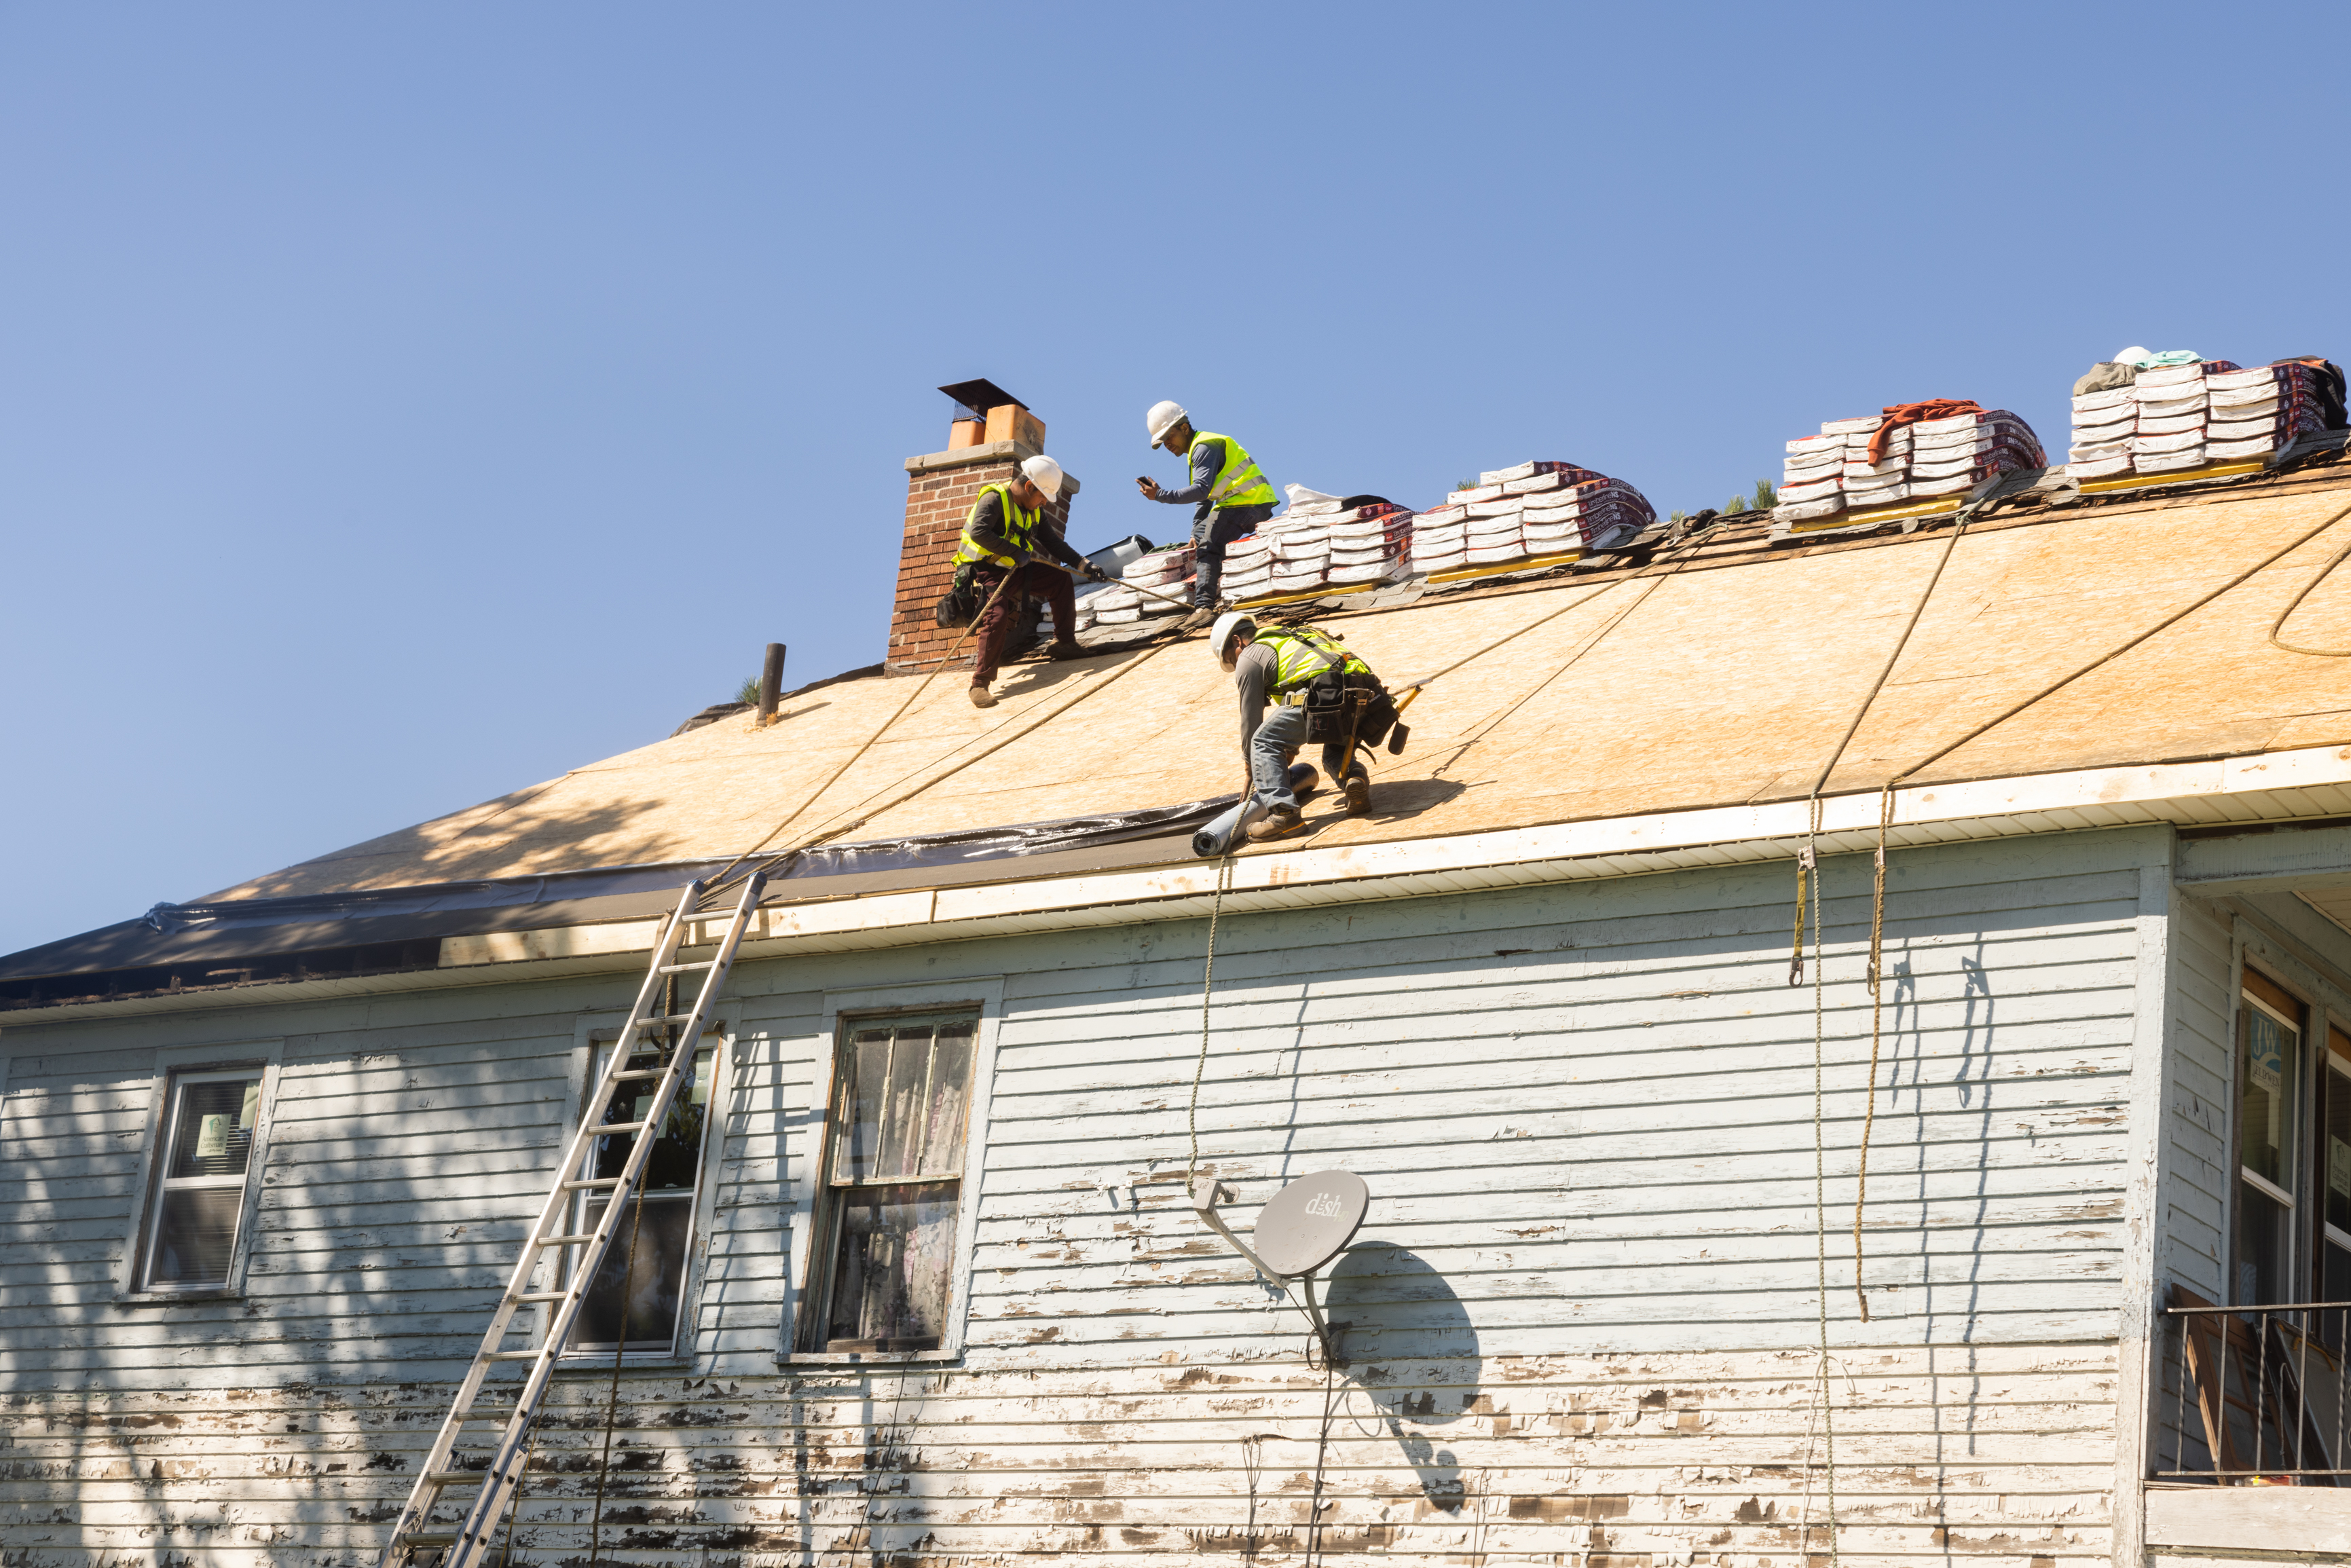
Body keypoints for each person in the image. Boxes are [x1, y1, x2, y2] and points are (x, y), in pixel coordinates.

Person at [1209, 611, 1386, 840]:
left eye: (1231, 659)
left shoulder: (1249, 655)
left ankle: (1285, 817)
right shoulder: (1289, 638)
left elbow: (1250, 720)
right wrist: (1289, 748)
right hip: (1367, 696)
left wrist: (1250, 762)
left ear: (1237, 641)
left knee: (1263, 741)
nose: (1236, 664)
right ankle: (1355, 778)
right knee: (1334, 751)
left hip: (1327, 695)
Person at [954, 455, 1103, 709]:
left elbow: (1054, 544)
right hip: (985, 572)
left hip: (1014, 569)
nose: (1044, 502)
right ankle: (980, 684)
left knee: (1060, 580)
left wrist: (1084, 565)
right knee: (997, 615)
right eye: (1042, 496)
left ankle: (1064, 643)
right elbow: (978, 532)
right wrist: (1014, 552)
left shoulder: (1034, 512)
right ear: (1029, 487)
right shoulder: (994, 499)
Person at [1134, 402, 1276, 633]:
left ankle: (1204, 608)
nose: (1167, 444)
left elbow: (1200, 490)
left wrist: (1160, 495)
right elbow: (1206, 497)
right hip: (1252, 502)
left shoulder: (1203, 447)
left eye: (1168, 436)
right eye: (1162, 442)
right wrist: (1196, 532)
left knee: (1209, 548)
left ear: (1184, 428)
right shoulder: (1200, 448)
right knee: (1208, 541)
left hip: (1245, 502)